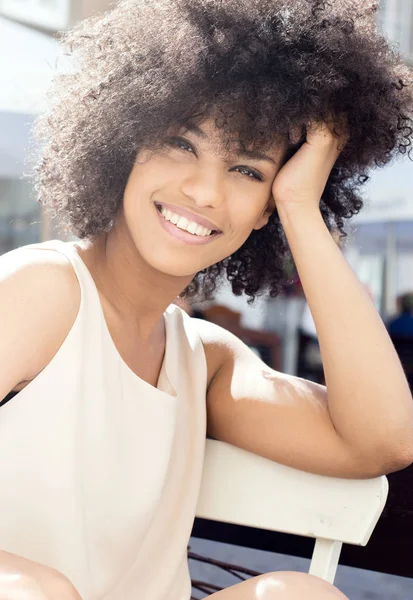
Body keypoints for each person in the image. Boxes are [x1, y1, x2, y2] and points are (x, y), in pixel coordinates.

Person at [1, 1, 413, 599]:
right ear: (123, 142)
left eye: (248, 171)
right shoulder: (41, 290)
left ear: (267, 205)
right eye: (181, 143)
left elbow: (385, 440)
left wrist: (301, 207)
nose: (204, 191)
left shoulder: (204, 361)